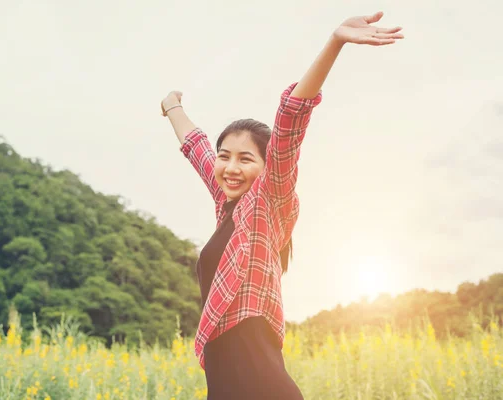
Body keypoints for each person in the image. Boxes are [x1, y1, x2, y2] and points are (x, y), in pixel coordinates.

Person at [161, 11, 403, 400]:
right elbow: (196, 147)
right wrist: (171, 105)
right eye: (226, 157)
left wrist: (335, 42)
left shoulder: (267, 202)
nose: (231, 167)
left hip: (260, 385)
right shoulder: (227, 205)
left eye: (246, 159)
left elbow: (291, 120)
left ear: (265, 166)